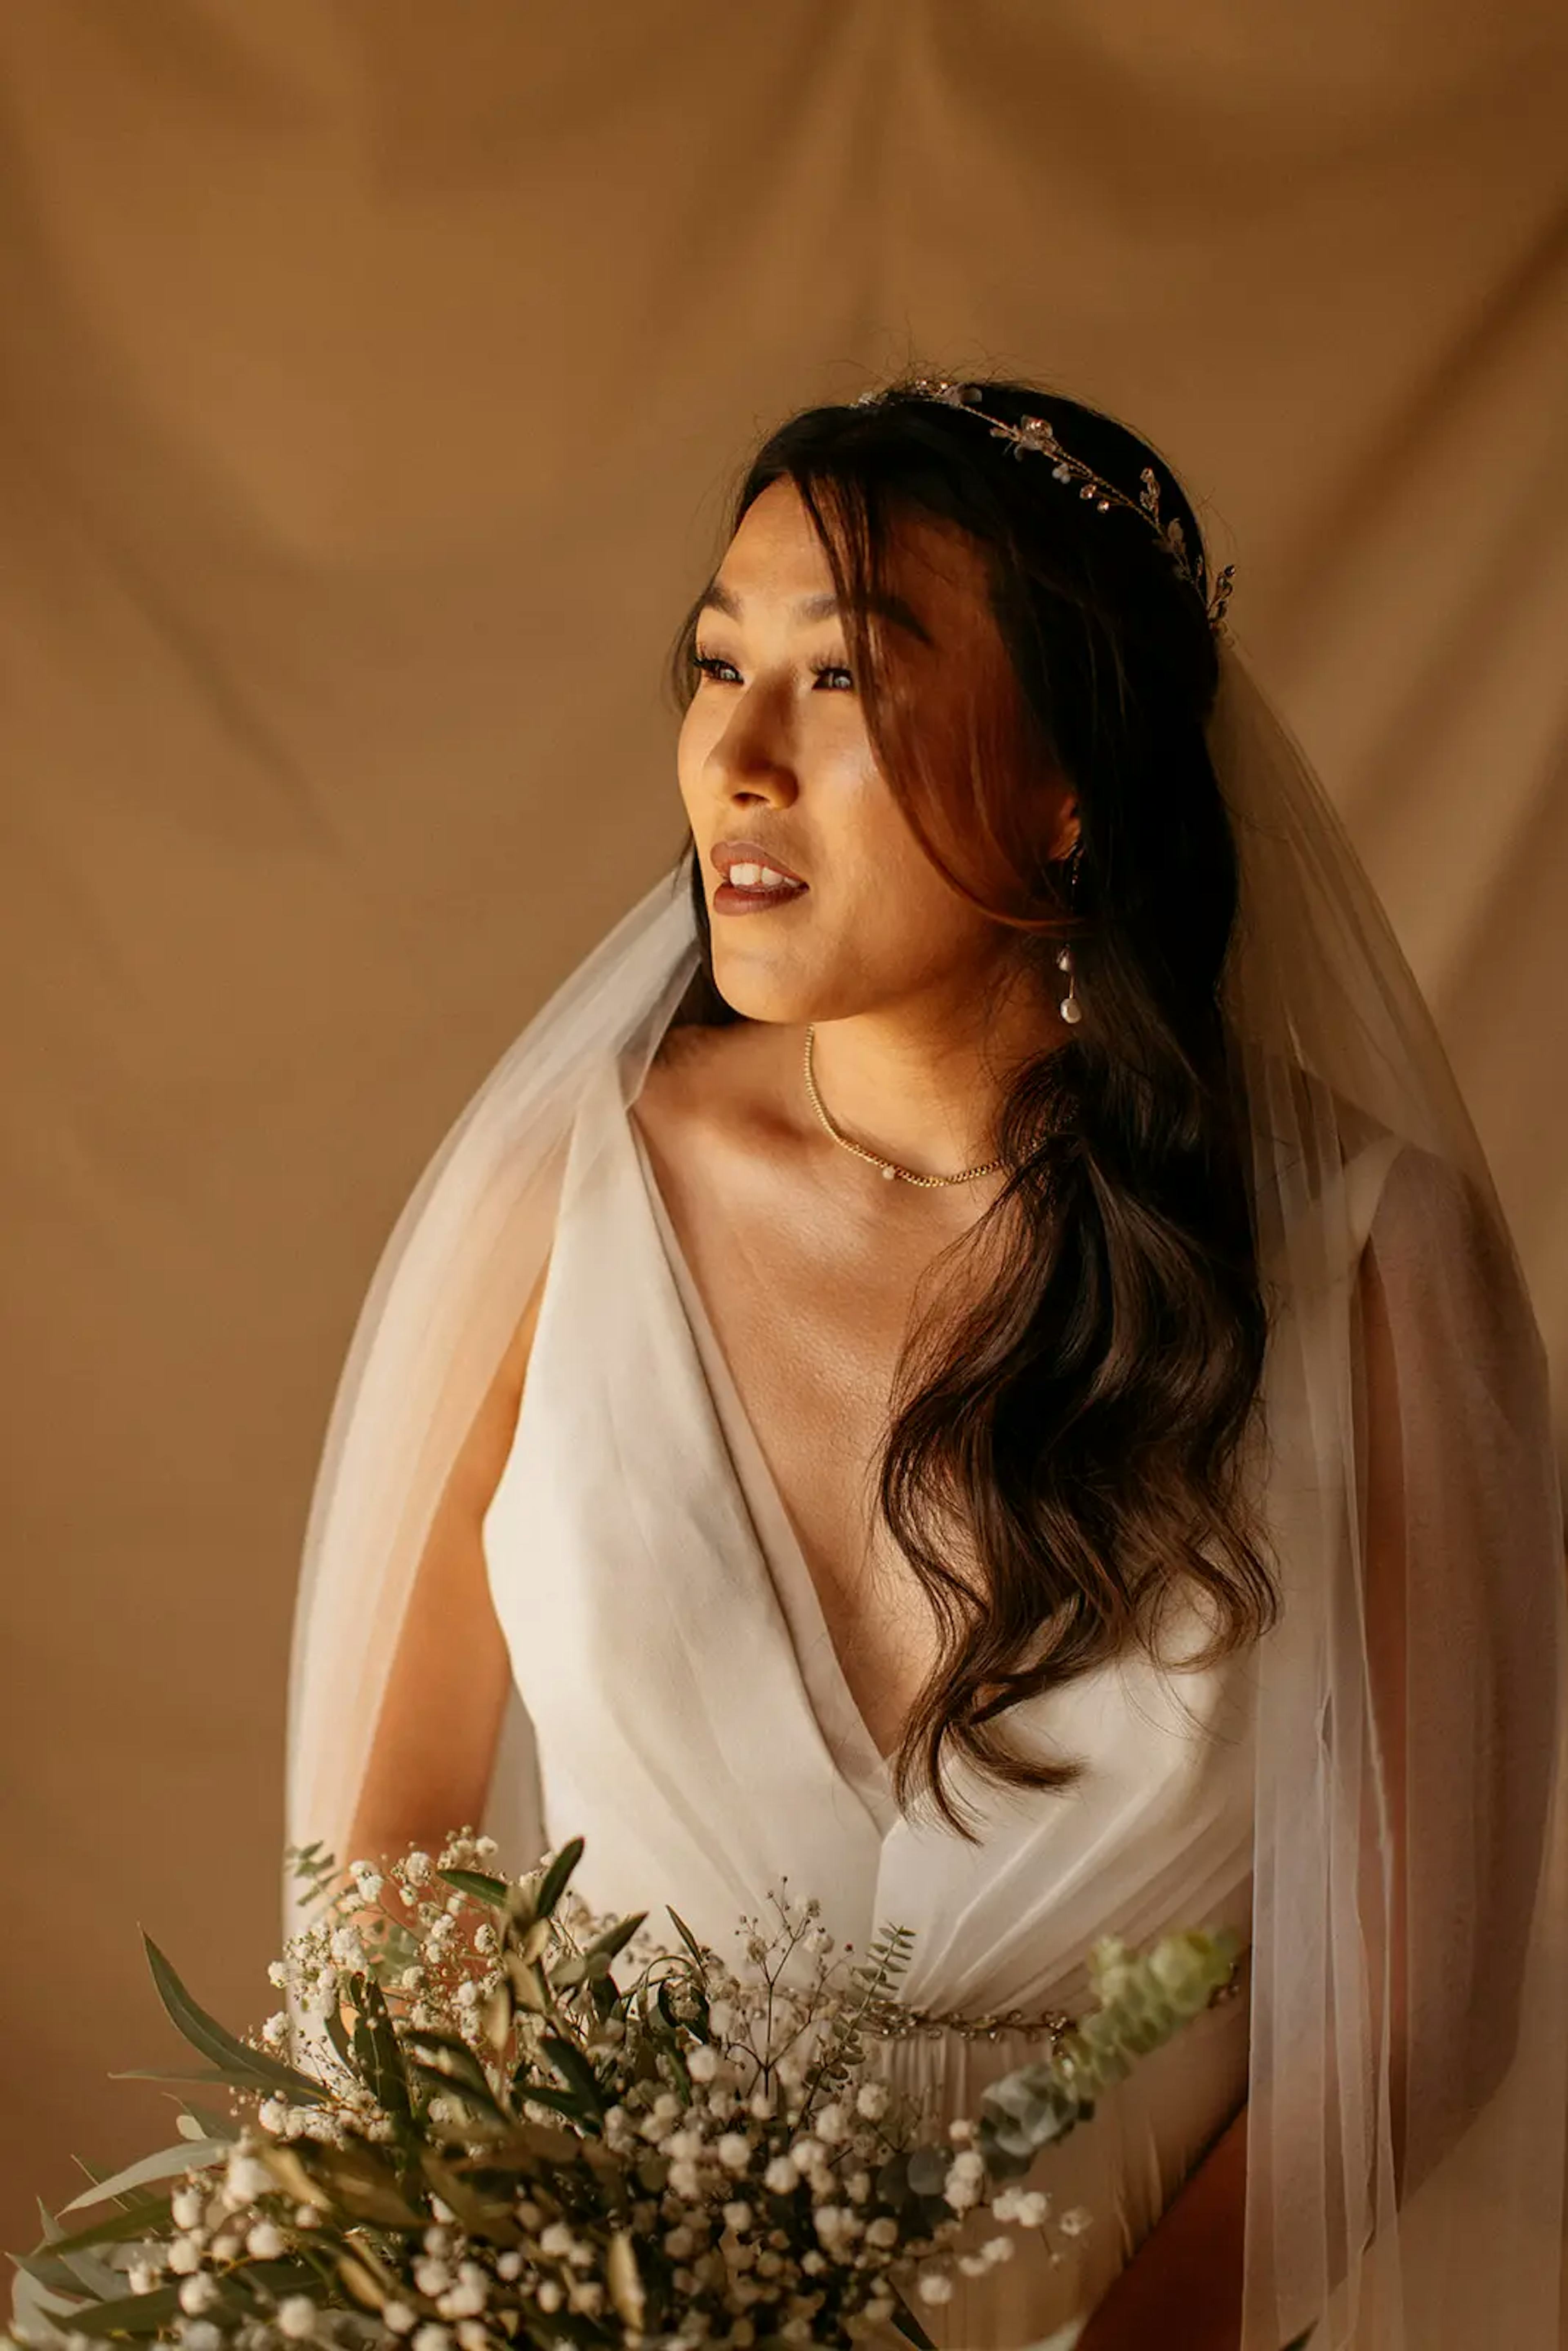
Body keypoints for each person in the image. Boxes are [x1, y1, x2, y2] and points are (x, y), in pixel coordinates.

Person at [284, 378, 1568, 2350]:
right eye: (718, 664)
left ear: (1072, 783)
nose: (737, 757)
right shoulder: (564, 1195)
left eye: (843, 682)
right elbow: (384, 1877)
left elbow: (1419, 2010)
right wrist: (515, 2282)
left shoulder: (1373, 1270)